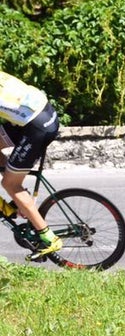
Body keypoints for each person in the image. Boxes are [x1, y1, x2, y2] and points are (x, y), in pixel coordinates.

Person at [0, 71, 63, 260]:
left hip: (36, 127)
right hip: (42, 115)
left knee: (10, 184)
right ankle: (18, 202)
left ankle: (49, 238)